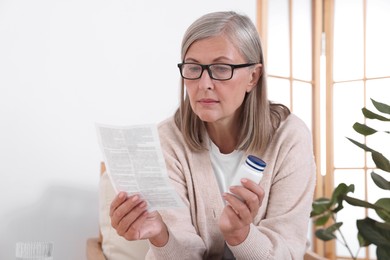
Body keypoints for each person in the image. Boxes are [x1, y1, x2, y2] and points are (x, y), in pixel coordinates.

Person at [110, 11, 316, 259]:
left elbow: (287, 253)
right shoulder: (167, 140)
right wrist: (161, 235)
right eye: (193, 68)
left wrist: (241, 235)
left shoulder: (289, 138)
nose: (204, 83)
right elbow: (182, 252)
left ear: (253, 76)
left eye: (221, 68)